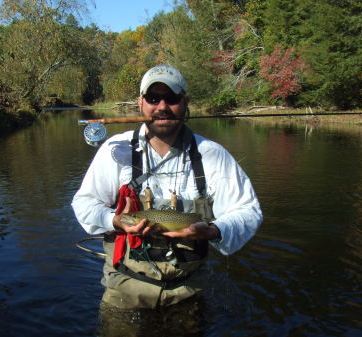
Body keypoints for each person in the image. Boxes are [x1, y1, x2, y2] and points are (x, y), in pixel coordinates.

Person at [72, 64, 262, 310]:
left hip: (189, 290)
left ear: (185, 103)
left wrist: (213, 230)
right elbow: (85, 203)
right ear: (140, 103)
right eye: (153, 98)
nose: (162, 107)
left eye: (171, 98)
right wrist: (116, 220)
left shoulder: (212, 155)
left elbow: (249, 211)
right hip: (124, 289)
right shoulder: (116, 150)